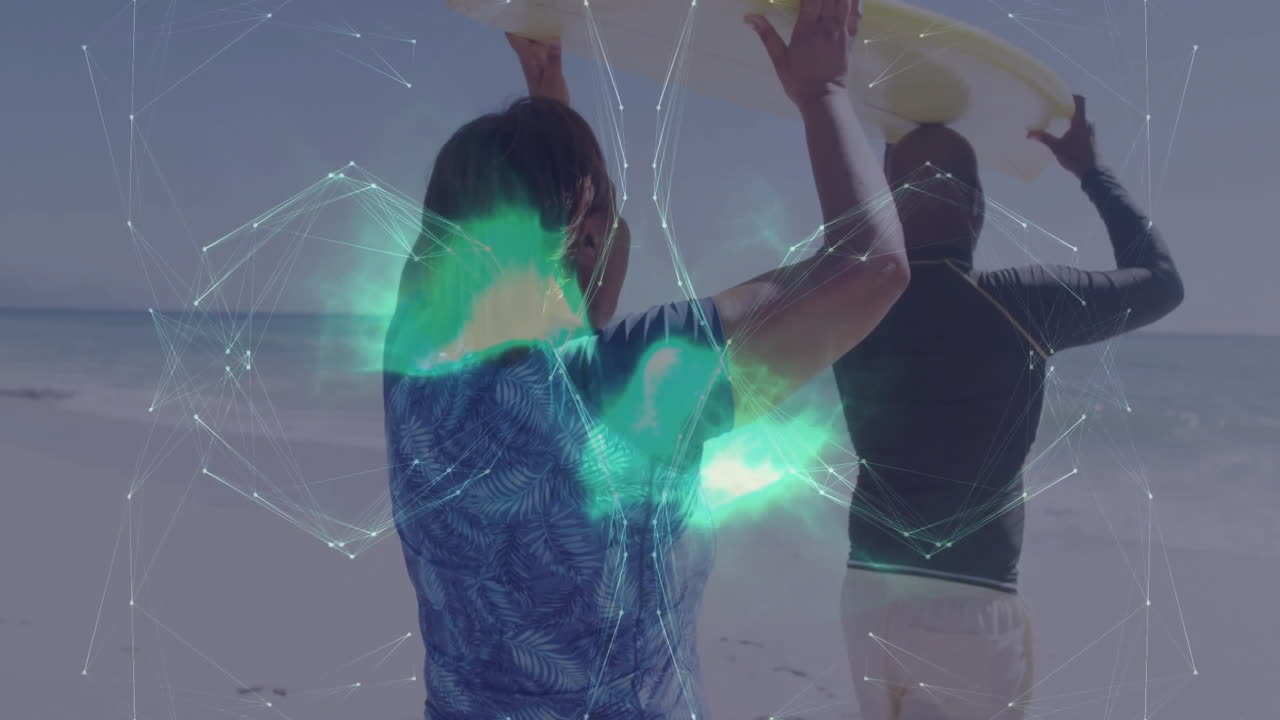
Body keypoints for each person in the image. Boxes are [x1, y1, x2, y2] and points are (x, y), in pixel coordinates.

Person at [383, 1, 907, 717]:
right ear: (585, 236)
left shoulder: (411, 373)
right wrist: (824, 94)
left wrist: (550, 115)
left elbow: (578, 278)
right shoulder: (632, 383)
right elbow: (874, 269)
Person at [833, 97, 1184, 719]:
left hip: (866, 588)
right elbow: (1160, 283)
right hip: (969, 604)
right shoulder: (1022, 304)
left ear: (889, 204)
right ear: (978, 209)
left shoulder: (847, 307)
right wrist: (1091, 174)